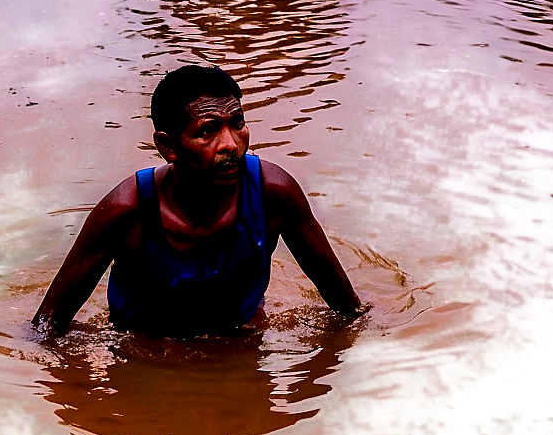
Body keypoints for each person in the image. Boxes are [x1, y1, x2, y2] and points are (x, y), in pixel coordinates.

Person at [33, 64, 369, 336]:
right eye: (208, 130)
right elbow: (46, 327)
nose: (231, 144)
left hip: (241, 345)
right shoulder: (126, 212)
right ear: (168, 147)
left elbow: (347, 306)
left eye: (237, 123)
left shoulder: (274, 193)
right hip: (147, 358)